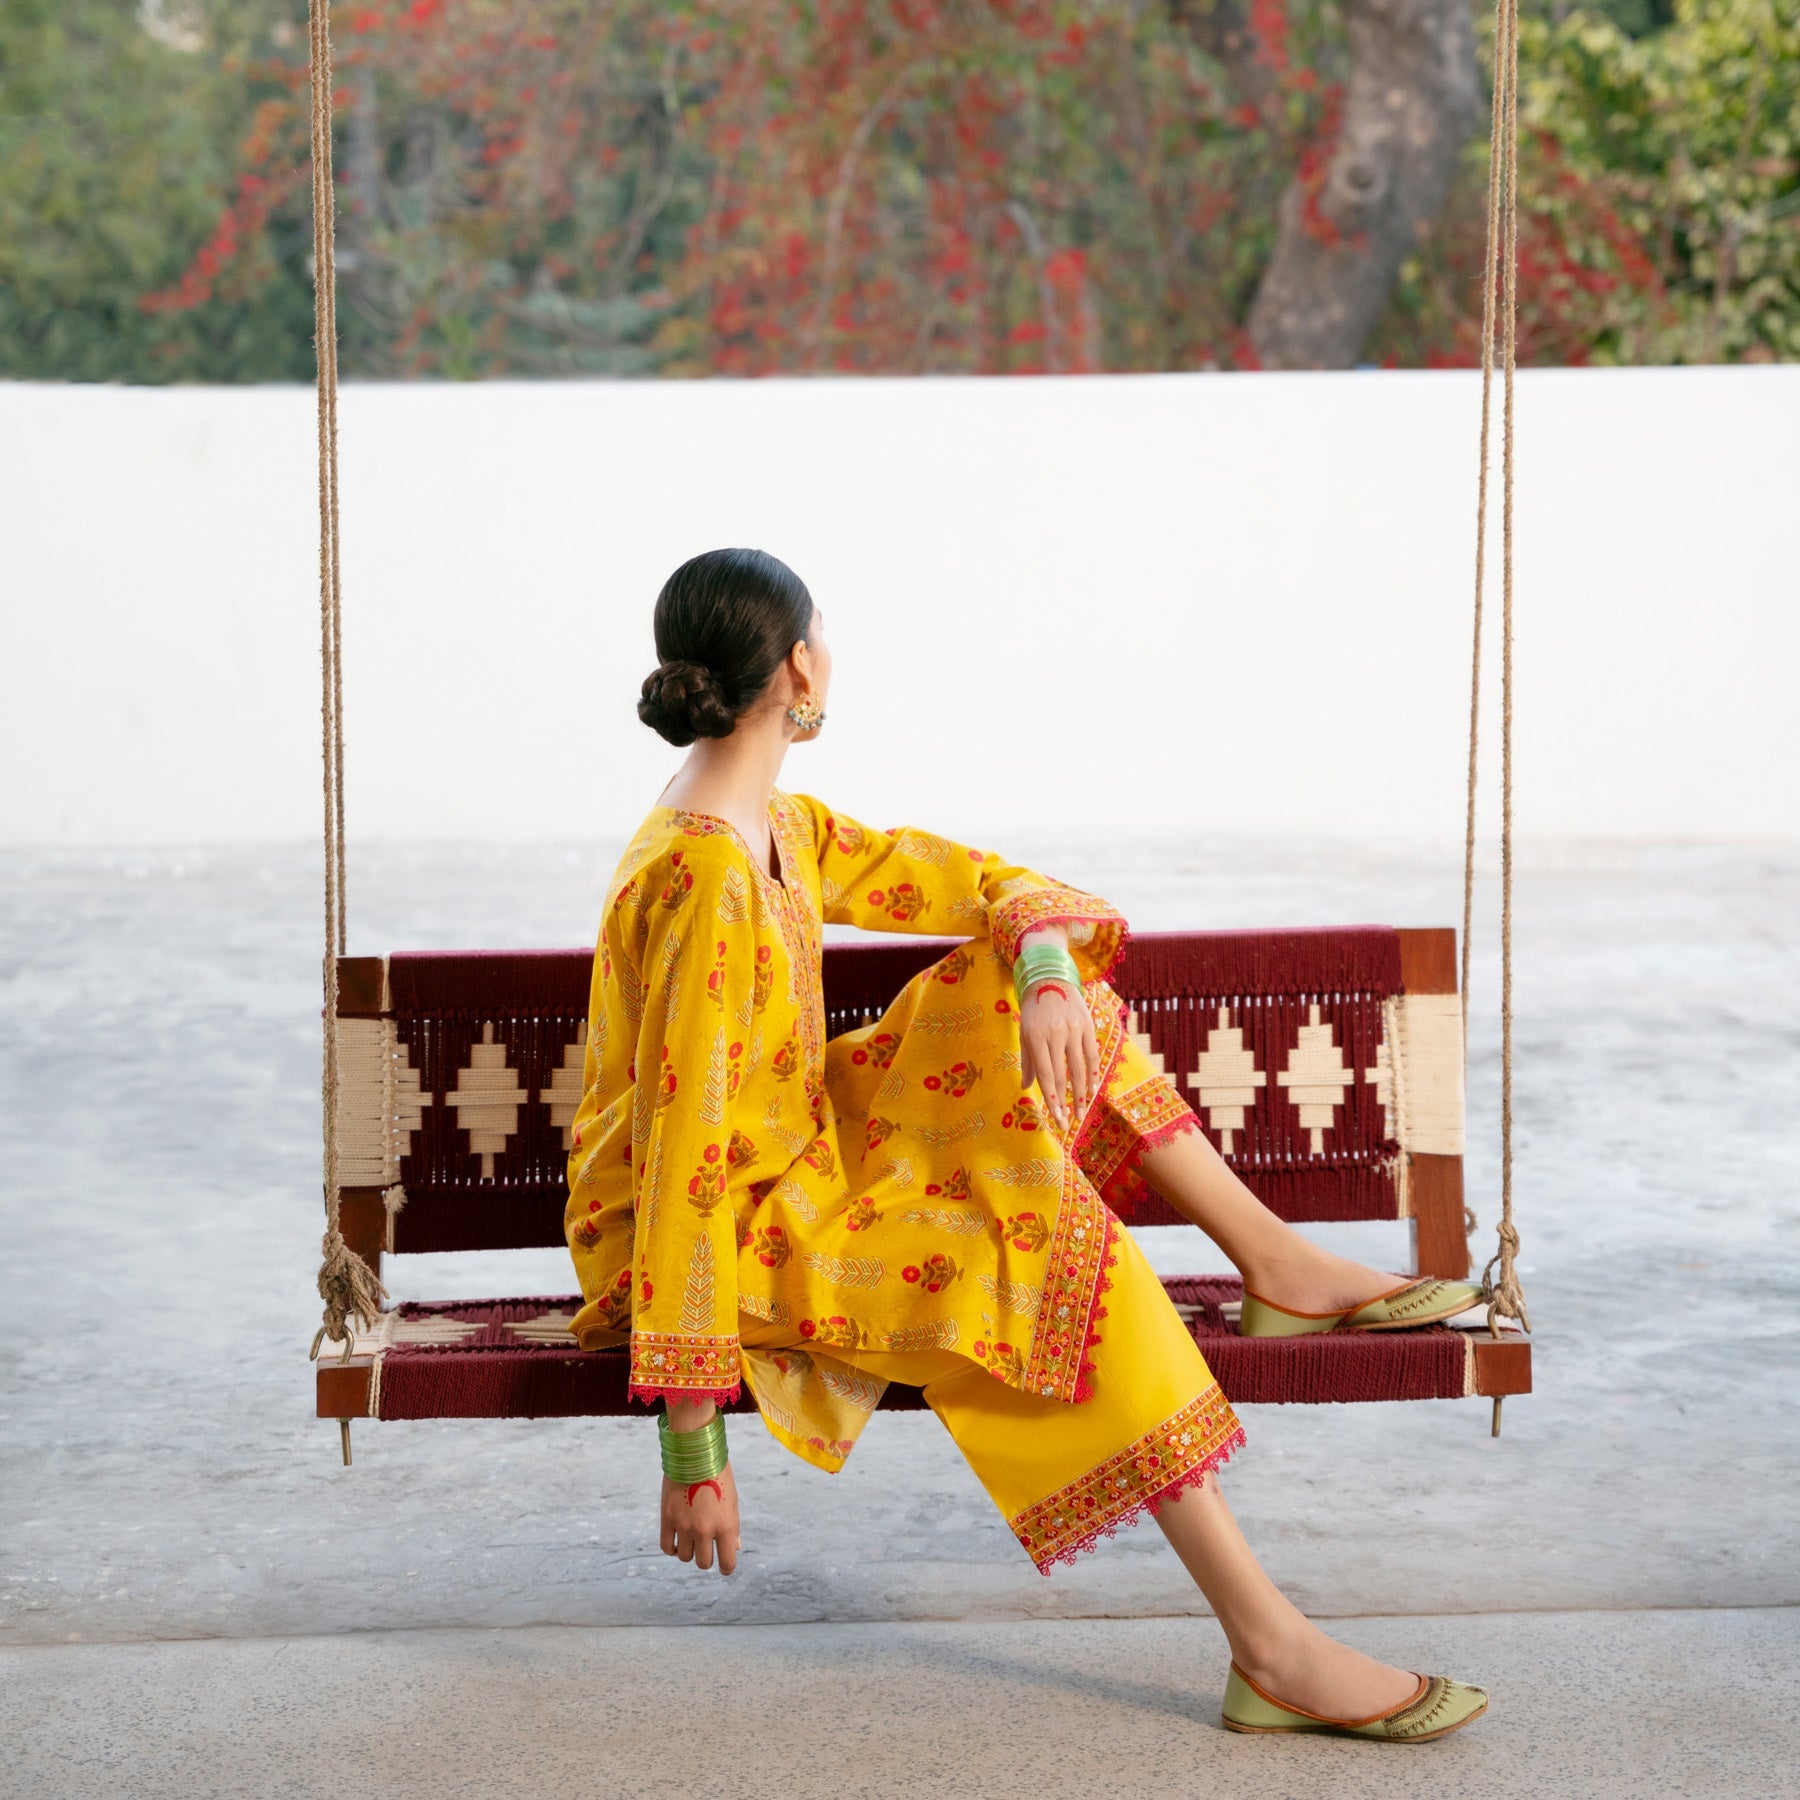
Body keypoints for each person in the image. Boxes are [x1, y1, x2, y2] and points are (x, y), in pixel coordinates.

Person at [564, 547, 1490, 1743]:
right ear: (798, 667)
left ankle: (1276, 1264)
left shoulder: (775, 824)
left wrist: (1046, 968)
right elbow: (684, 1148)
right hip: (724, 1237)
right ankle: (1272, 1646)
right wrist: (692, 1436)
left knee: (1035, 989)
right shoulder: (704, 878)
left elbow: (971, 879)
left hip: (801, 1154)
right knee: (1045, 1252)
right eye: (824, 633)